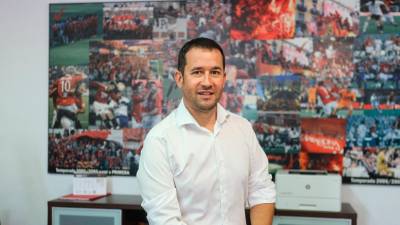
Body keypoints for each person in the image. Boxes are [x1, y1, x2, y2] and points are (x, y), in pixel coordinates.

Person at [137, 37, 276, 225]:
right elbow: (165, 220)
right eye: (197, 72)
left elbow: (262, 191)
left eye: (215, 72)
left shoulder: (242, 129)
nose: (207, 82)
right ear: (179, 78)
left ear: (224, 78)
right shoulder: (159, 141)